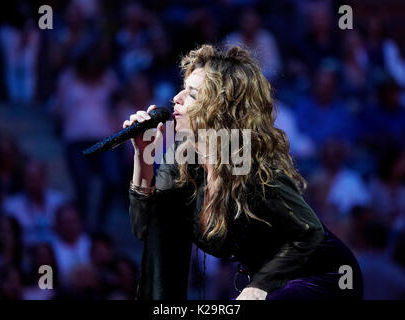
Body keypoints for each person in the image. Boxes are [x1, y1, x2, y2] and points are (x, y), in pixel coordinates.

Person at [124, 45, 363, 300]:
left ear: (220, 107)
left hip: (320, 276)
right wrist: (142, 156)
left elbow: (310, 232)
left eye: (192, 94)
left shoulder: (249, 167)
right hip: (273, 281)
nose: (177, 98)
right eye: (183, 89)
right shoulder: (181, 159)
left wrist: (257, 287)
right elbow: (146, 228)